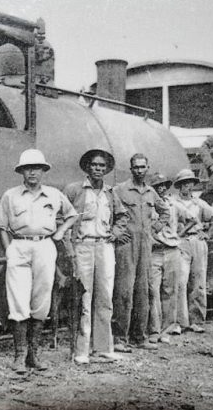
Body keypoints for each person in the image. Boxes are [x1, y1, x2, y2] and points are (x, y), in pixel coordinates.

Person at [0, 149, 78, 374]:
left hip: (44, 246)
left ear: (43, 171)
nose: (32, 172)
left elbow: (72, 215)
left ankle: (34, 354)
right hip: (19, 246)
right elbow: (1, 226)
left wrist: (59, 233)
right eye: (28, 168)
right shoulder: (10, 195)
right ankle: (19, 355)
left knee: (41, 300)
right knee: (18, 300)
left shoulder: (53, 194)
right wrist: (9, 250)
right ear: (21, 171)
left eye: (37, 168)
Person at [63, 149, 130, 364]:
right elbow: (62, 219)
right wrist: (69, 248)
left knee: (105, 297)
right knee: (84, 298)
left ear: (107, 169)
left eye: (102, 166)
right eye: (94, 165)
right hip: (83, 246)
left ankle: (103, 348)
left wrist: (116, 233)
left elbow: (122, 216)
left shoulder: (110, 193)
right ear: (87, 167)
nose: (98, 169)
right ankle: (81, 351)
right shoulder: (74, 190)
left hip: (104, 247)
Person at [112, 154, 170, 352]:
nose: (139, 170)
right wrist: (117, 233)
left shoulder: (151, 192)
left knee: (143, 291)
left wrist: (154, 230)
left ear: (148, 168)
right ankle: (120, 338)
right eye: (135, 167)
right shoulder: (119, 190)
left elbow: (165, 212)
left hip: (145, 245)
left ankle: (140, 337)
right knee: (123, 291)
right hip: (126, 246)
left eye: (142, 167)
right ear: (131, 169)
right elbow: (110, 213)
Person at [172, 169, 213, 334]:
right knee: (180, 281)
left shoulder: (199, 203)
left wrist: (207, 234)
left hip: (197, 242)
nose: (187, 186)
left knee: (198, 281)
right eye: (183, 183)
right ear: (179, 185)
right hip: (180, 242)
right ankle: (179, 321)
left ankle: (196, 320)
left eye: (190, 182)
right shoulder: (173, 202)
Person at [148, 173, 186, 343]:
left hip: (172, 250)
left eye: (164, 185)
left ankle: (167, 329)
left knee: (170, 290)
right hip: (154, 251)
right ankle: (154, 329)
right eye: (157, 186)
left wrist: (178, 234)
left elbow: (190, 220)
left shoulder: (174, 205)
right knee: (153, 290)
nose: (161, 188)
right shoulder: (148, 205)